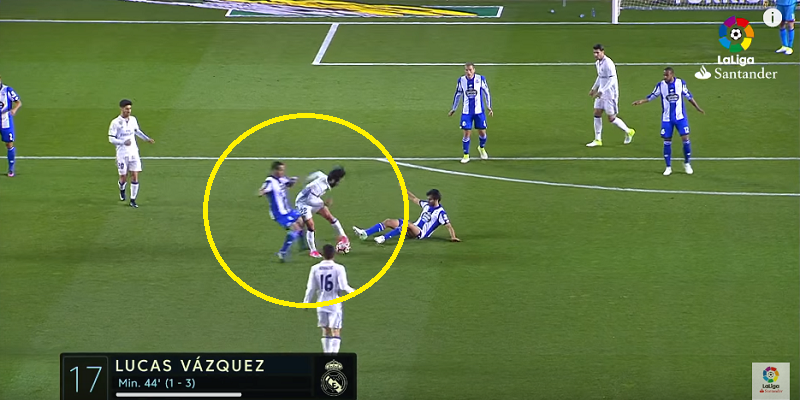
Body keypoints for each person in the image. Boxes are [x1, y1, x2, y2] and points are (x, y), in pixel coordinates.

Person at [632, 67, 704, 176]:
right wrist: (641, 101)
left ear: (672, 75)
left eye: (667, 75)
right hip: (667, 119)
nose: (665, 77)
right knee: (667, 141)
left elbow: (689, 96)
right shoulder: (661, 85)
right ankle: (668, 167)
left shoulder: (680, 83)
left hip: (680, 117)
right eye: (664, 75)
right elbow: (652, 96)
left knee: (685, 139)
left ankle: (687, 163)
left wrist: (697, 107)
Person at [353, 189, 460, 244]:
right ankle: (365, 233)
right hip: (413, 227)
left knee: (406, 224)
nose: (428, 200)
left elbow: (448, 225)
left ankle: (383, 238)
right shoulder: (426, 205)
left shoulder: (440, 213)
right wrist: (405, 190)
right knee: (388, 221)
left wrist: (453, 237)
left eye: (430, 199)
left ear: (436, 199)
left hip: (421, 233)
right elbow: (414, 199)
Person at [303, 244, 356, 354]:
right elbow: (343, 286)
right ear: (334, 254)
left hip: (321, 304)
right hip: (334, 304)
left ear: (322, 254)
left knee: (325, 330)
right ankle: (334, 357)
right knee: (336, 331)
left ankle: (326, 356)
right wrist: (353, 291)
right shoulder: (339, 268)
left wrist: (306, 302)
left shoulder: (315, 268)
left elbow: (311, 288)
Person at [586, 44, 636, 147]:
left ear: (602, 52)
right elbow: (600, 77)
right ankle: (598, 139)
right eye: (594, 53)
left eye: (597, 53)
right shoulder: (598, 63)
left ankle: (628, 131)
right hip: (601, 92)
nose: (595, 55)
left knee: (611, 118)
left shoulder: (609, 63)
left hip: (610, 94)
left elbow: (612, 80)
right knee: (597, 113)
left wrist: (602, 91)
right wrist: (594, 88)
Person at [108, 99, 155, 208]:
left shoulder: (133, 120)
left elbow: (137, 131)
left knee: (134, 175)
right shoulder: (115, 123)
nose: (129, 111)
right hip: (122, 154)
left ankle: (133, 200)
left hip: (134, 152)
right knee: (123, 177)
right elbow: (111, 139)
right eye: (126, 109)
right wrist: (123, 142)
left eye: (130, 109)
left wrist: (146, 139)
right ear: (121, 109)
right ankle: (122, 189)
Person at [295, 167, 348, 258]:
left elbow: (318, 173)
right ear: (332, 180)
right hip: (303, 203)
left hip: (314, 199)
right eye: (338, 181)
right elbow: (309, 200)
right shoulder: (319, 187)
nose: (338, 183)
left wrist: (308, 178)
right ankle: (313, 251)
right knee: (311, 226)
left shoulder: (324, 177)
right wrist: (323, 204)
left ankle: (343, 237)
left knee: (329, 217)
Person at [258, 161, 305, 261]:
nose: (282, 172)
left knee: (302, 221)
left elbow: (288, 184)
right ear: (274, 170)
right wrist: (262, 192)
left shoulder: (282, 179)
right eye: (280, 170)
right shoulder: (270, 181)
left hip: (288, 210)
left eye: (283, 170)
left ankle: (303, 246)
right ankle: (282, 252)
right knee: (295, 228)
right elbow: (263, 190)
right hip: (279, 213)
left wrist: (293, 181)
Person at [449, 63, 492, 164]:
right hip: (466, 112)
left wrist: (489, 106)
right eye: (466, 70)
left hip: (479, 112)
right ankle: (466, 155)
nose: (468, 72)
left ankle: (481, 148)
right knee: (466, 133)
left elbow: (486, 92)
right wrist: (454, 108)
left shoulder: (480, 79)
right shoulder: (461, 80)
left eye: (470, 70)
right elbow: (457, 94)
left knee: (482, 133)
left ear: (474, 70)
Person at [0, 75, 21, 177]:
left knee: (9, 144)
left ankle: (11, 168)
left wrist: (14, 110)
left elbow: (18, 102)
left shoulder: (7, 90)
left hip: (5, 119)